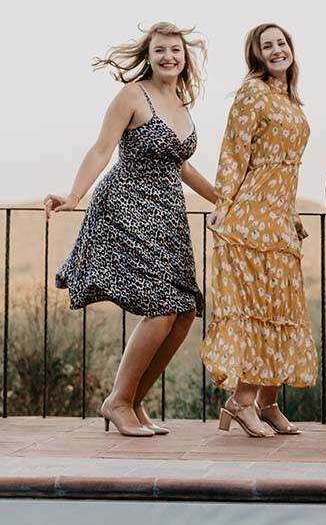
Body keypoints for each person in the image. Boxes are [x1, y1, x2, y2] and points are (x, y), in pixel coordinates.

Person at [46, 22, 216, 437]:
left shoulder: (179, 101)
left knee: (185, 311)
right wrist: (74, 195)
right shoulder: (131, 95)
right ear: (149, 55)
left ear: (184, 57)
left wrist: (225, 200)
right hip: (127, 205)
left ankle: (135, 402)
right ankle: (117, 401)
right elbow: (102, 148)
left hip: (169, 213)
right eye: (160, 50)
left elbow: (183, 166)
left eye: (175, 50)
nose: (168, 57)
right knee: (161, 308)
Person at [202, 23, 318, 437]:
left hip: (278, 217)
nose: (276, 50)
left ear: (291, 48)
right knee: (259, 310)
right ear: (257, 55)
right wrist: (223, 206)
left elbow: (285, 169)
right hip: (251, 218)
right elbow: (234, 153)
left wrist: (290, 215)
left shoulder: (289, 97)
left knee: (280, 310)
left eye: (281, 43)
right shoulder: (253, 92)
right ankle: (242, 401)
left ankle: (267, 403)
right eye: (266, 46)